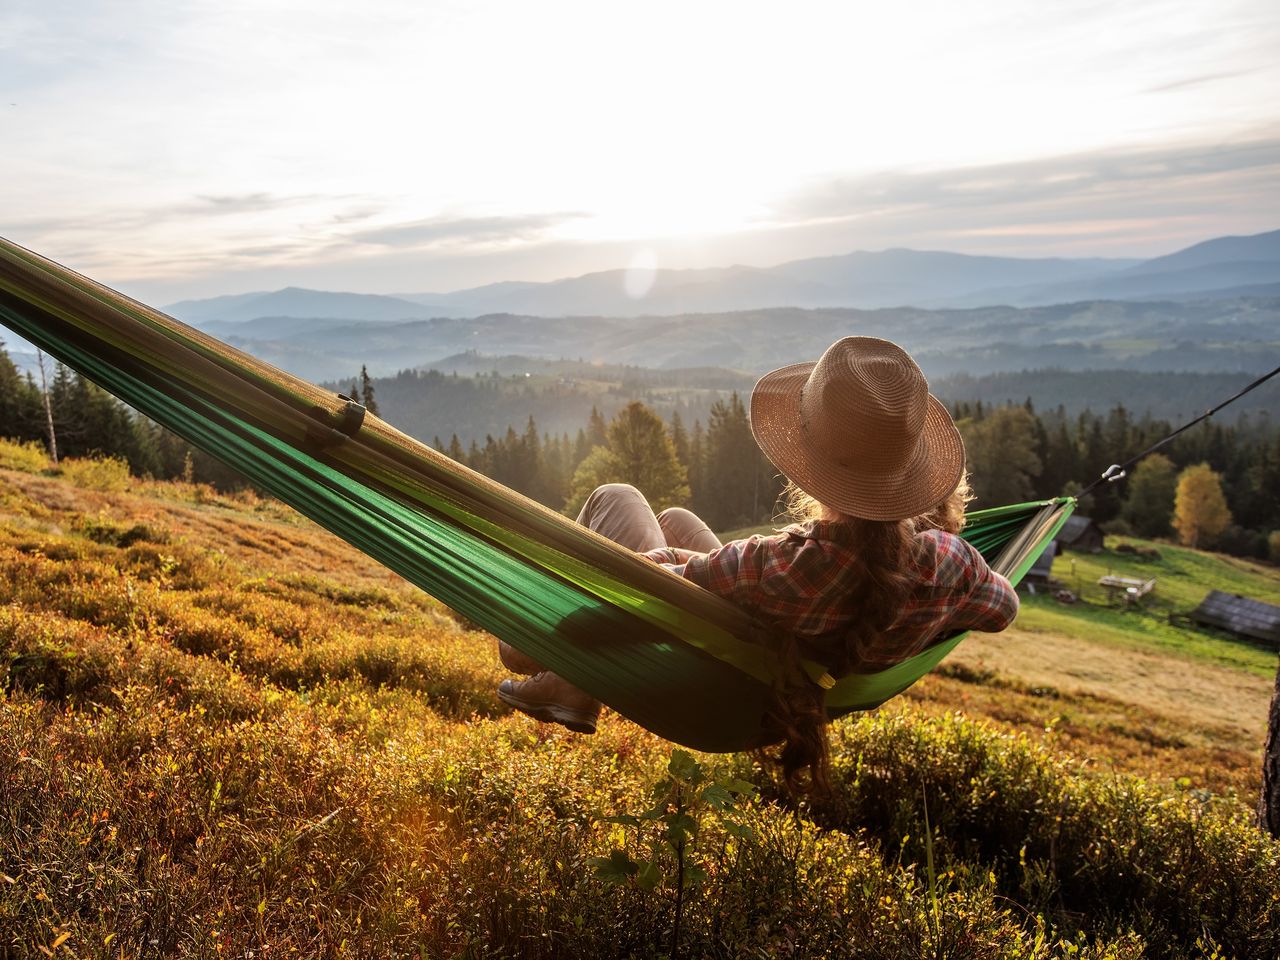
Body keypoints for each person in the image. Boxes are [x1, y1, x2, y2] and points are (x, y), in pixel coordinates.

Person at [496, 336, 1018, 791]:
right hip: (781, 666)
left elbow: (639, 604)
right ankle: (573, 682)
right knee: (676, 516)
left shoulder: (773, 566)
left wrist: (539, 628)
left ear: (809, 465)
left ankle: (573, 684)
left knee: (618, 496)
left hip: (710, 672)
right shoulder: (953, 564)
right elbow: (1003, 610)